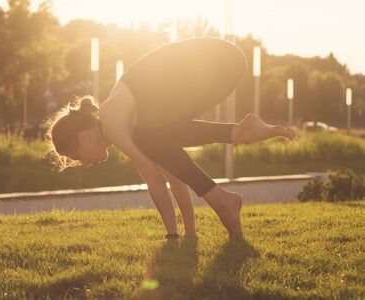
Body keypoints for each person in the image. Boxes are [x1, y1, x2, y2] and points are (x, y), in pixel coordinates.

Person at [45, 37, 295, 240]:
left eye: (75, 157)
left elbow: (154, 180)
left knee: (147, 134)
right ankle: (238, 132)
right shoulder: (128, 122)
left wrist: (172, 237)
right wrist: (189, 233)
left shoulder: (113, 119)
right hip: (224, 65)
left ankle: (222, 200)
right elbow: (175, 176)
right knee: (156, 135)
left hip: (215, 61)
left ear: (85, 138)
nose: (82, 164)